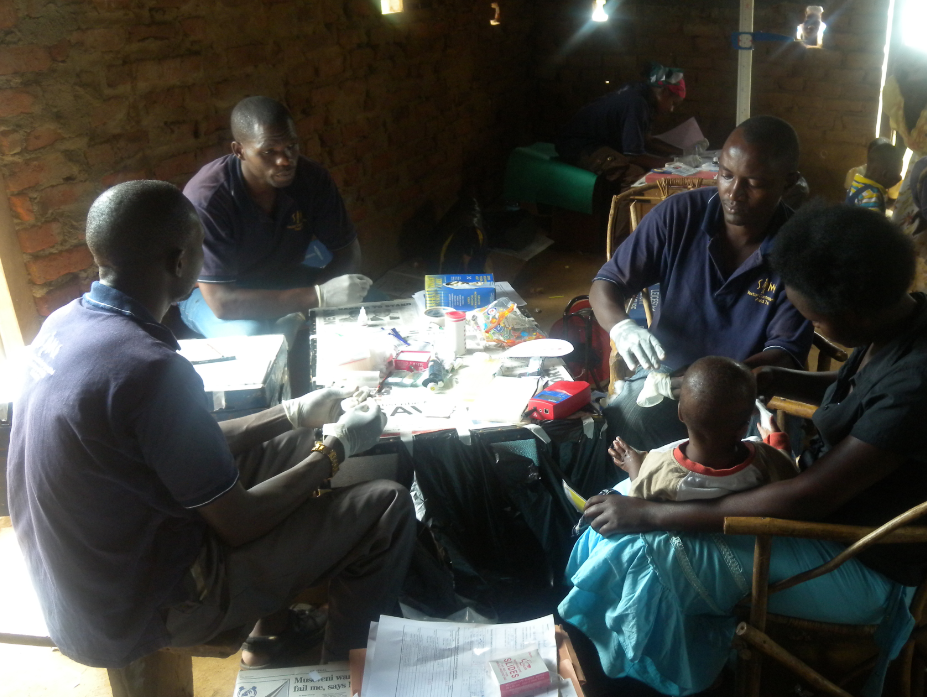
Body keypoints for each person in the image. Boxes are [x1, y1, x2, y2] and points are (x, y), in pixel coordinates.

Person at [6, 181, 416, 670]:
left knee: (294, 440)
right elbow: (239, 523)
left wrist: (292, 414)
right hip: (143, 607)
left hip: (78, 588)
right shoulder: (150, 368)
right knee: (385, 505)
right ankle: (345, 678)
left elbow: (178, 451)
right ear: (179, 261)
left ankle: (271, 638)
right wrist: (338, 450)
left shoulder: (65, 323)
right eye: (202, 249)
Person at [560, 203, 927, 696]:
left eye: (814, 320)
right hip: (826, 517)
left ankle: (647, 680)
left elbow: (806, 500)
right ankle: (618, 652)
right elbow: (859, 389)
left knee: (648, 549)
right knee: (623, 498)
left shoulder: (916, 385)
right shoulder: (898, 319)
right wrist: (776, 376)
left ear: (852, 313)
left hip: (862, 564)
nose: (812, 327)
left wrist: (650, 515)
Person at [590, 115, 813, 451]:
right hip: (667, 378)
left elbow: (782, 353)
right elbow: (605, 285)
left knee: (766, 454)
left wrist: (708, 383)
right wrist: (623, 328)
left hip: (749, 388)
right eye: (725, 175)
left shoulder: (799, 248)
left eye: (754, 183)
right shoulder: (680, 215)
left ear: (788, 181)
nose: (733, 193)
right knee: (623, 427)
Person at [179, 96, 372, 342]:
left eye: (291, 147)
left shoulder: (311, 179)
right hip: (213, 295)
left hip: (286, 279)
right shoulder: (208, 198)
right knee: (254, 338)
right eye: (269, 151)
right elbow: (222, 303)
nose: (285, 160)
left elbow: (348, 253)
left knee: (377, 307)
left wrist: (304, 310)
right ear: (239, 151)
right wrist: (318, 298)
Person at [609, 356, 796, 503]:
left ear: (680, 413)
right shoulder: (766, 459)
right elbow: (789, 476)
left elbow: (639, 497)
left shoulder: (660, 468)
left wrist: (634, 465)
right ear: (744, 427)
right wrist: (778, 443)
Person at [555, 62, 686, 180]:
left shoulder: (643, 97)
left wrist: (683, 153)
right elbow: (633, 156)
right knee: (636, 175)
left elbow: (647, 141)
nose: (671, 110)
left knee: (651, 167)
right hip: (579, 146)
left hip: (595, 143)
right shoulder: (636, 103)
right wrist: (673, 163)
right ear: (665, 92)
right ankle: (623, 207)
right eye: (674, 103)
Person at [845, 141, 904, 213]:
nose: (899, 179)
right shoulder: (872, 195)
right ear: (885, 175)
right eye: (896, 175)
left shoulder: (856, 183)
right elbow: (874, 223)